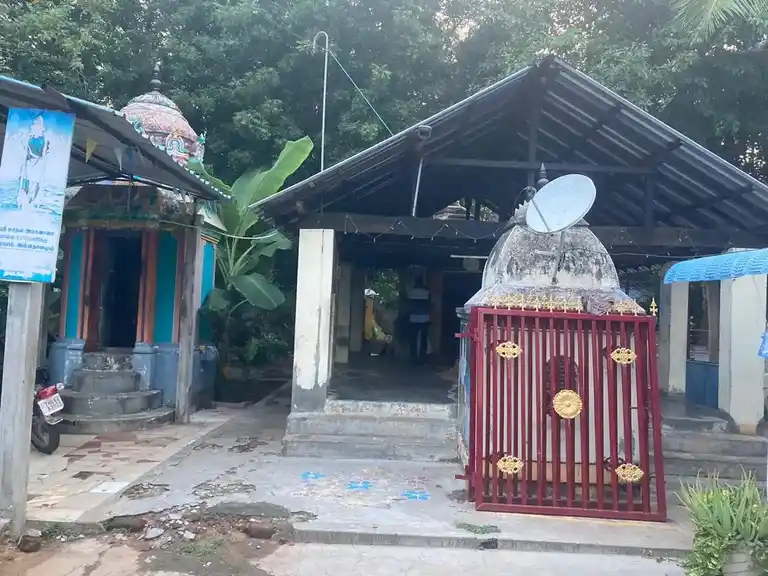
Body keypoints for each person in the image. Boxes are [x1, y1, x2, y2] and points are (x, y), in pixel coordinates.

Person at [19, 113, 49, 209]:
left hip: (38, 162)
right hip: (29, 162)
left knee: (36, 182)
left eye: (36, 124)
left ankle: (32, 201)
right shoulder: (29, 138)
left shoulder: (44, 139)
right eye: (34, 124)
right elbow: (25, 150)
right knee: (25, 181)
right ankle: (24, 201)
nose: (33, 126)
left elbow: (44, 153)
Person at [406, 271, 431, 364]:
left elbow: (409, 304)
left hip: (413, 318)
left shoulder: (411, 291)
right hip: (425, 318)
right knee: (423, 340)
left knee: (413, 339)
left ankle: (413, 358)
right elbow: (429, 304)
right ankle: (422, 358)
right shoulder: (427, 291)